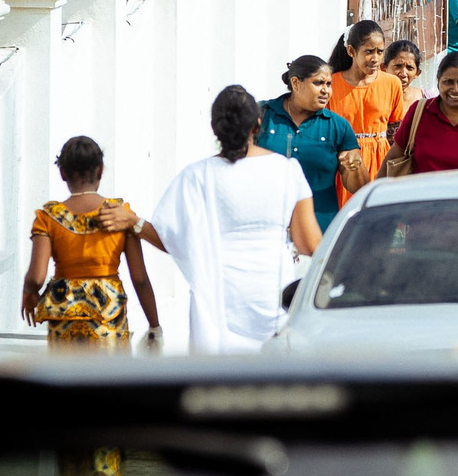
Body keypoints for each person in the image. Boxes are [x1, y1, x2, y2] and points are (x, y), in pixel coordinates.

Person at [141, 86, 322, 352]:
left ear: (215, 129)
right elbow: (309, 244)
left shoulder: (196, 176)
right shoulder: (287, 170)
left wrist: (135, 223)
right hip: (273, 291)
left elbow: (169, 237)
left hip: (215, 297)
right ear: (258, 124)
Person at [20, 135, 159, 349]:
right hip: (108, 316)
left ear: (62, 173)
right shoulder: (120, 214)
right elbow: (139, 279)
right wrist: (154, 326)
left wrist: (29, 293)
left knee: (66, 379)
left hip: (64, 317)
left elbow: (37, 277)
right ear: (100, 170)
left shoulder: (47, 218)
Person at [261, 54, 364, 227]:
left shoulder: (338, 126)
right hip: (267, 227)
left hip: (318, 231)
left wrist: (354, 166)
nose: (326, 91)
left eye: (329, 84)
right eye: (318, 83)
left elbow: (358, 187)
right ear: (295, 83)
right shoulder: (262, 115)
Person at [328, 19, 406, 201]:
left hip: (382, 162)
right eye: (369, 52)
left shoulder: (392, 83)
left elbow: (395, 131)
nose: (376, 59)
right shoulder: (332, 83)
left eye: (380, 52)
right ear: (351, 51)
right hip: (345, 164)